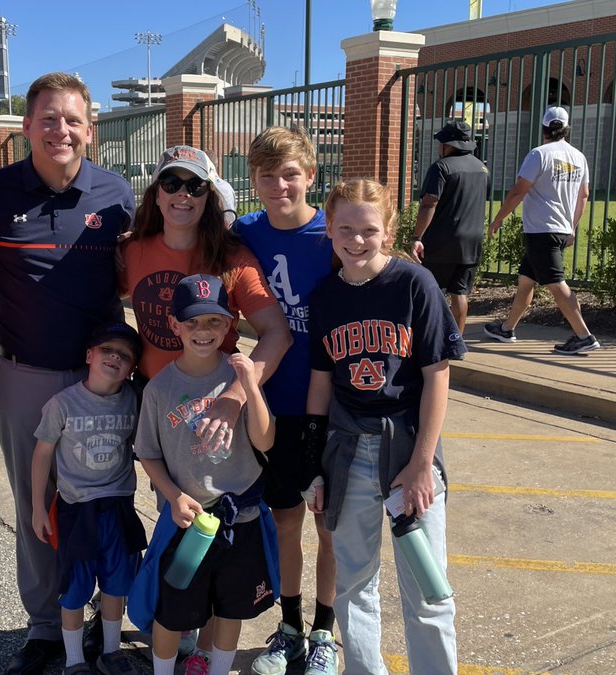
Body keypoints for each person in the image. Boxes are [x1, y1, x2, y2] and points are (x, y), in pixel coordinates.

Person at [0, 72, 136, 675]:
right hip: (28, 376)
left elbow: (132, 274)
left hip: (106, 381)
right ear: (26, 128)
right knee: (36, 501)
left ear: (90, 130)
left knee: (108, 499)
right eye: (47, 118)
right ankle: (45, 626)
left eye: (71, 119)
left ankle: (103, 612)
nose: (59, 129)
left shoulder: (116, 195)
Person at [303, 179, 464, 675]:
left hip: (407, 448)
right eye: (345, 228)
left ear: (388, 231)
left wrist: (421, 467)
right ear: (328, 229)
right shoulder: (326, 296)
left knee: (427, 587)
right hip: (348, 450)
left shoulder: (414, 284)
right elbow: (321, 384)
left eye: (368, 229)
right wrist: (315, 466)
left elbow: (439, 376)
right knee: (353, 584)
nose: (356, 240)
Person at [230, 126, 339, 675]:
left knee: (331, 526)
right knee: (286, 521)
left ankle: (327, 631)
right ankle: (291, 627)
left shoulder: (334, 233)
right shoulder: (245, 231)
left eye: (290, 174)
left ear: (311, 176)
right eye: (267, 176)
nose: (279, 186)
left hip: (335, 407)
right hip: (278, 404)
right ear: (253, 181)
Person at [131, 273, 278, 675]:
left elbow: (265, 442)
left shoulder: (238, 377)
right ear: (175, 325)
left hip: (239, 518)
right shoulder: (159, 389)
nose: (203, 331)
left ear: (230, 323)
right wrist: (173, 495)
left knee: (231, 610)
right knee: (172, 612)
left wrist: (250, 383)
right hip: (187, 522)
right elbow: (147, 452)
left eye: (213, 321)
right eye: (192, 322)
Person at [120, 145, 291, 390]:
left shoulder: (232, 258)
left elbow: (277, 333)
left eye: (195, 186)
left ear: (208, 197)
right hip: (149, 393)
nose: (183, 193)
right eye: (170, 183)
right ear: (157, 194)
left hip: (214, 396)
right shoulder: (132, 250)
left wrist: (237, 396)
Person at [30, 322, 146, 675]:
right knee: (75, 589)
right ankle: (75, 660)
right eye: (107, 349)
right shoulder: (62, 404)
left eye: (124, 355)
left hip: (119, 505)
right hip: (76, 510)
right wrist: (38, 506)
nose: (115, 357)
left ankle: (111, 651)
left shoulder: (133, 399)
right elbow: (42, 454)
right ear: (89, 355)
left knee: (116, 584)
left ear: (131, 370)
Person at [485, 106, 600, 355]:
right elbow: (584, 195)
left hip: (541, 231)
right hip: (559, 229)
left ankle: (583, 335)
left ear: (543, 128)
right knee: (526, 280)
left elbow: (519, 190)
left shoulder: (538, 154)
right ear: (566, 127)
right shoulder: (579, 157)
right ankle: (507, 328)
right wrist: (571, 227)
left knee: (556, 283)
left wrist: (497, 220)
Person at [411, 120, 491, 337]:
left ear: (448, 144)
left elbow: (429, 203)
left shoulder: (441, 167)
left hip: (442, 241)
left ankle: (429, 337)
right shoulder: (482, 169)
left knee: (431, 291)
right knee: (460, 291)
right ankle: (457, 339)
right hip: (472, 241)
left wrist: (417, 236)